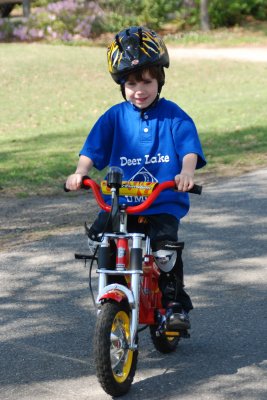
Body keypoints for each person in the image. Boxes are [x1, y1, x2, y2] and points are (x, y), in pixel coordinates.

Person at [66, 26, 206, 330]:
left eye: (146, 81)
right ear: (121, 85)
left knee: (165, 251)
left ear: (159, 81)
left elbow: (188, 148)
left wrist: (186, 173)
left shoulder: (173, 115)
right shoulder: (114, 117)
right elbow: (92, 150)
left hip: (162, 201)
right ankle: (115, 290)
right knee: (100, 240)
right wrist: (81, 173)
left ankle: (173, 304)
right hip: (121, 201)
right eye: (131, 83)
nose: (139, 90)